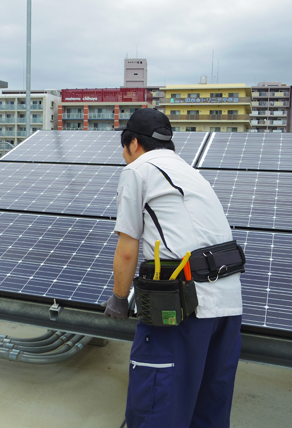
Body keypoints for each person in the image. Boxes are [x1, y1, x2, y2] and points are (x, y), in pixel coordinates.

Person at [103, 109, 243, 428]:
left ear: (133, 144)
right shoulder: (189, 172)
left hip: (182, 305)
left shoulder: (138, 170)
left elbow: (128, 248)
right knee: (208, 404)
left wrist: (119, 299)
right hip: (228, 303)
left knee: (157, 401)